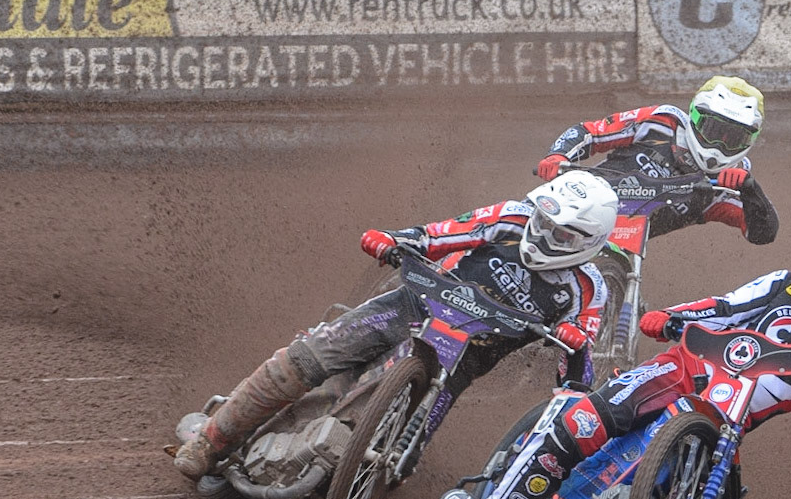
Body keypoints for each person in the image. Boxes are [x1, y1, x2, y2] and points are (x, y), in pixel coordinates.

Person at [462, 215, 791, 499]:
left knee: (680, 490)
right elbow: (724, 306)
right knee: (585, 421)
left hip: (721, 423)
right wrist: (671, 317)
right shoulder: (784, 284)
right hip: (681, 370)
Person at [172, 172, 620, 481]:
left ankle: (353, 483)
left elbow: (579, 366)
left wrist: (575, 340)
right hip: (412, 305)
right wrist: (393, 240)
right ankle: (210, 442)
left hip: (462, 359)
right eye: (542, 221)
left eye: (560, 234)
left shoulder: (587, 289)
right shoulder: (510, 218)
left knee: (398, 455)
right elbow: (438, 234)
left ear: (589, 242)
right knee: (305, 358)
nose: (542, 236)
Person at [534, 75, 779, 245]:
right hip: (572, 204)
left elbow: (763, 234)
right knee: (521, 220)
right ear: (694, 117)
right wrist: (558, 155)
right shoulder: (662, 122)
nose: (718, 144)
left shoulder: (731, 183)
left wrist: (750, 190)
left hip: (622, 245)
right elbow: (592, 132)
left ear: (750, 140)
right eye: (712, 130)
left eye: (732, 138)